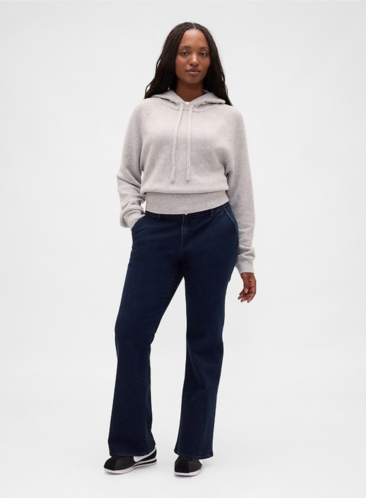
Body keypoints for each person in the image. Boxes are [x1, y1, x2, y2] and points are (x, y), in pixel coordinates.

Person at [104, 21, 257, 478]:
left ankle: (192, 445)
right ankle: (134, 443)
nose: (194, 60)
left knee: (204, 339)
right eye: (186, 51)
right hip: (156, 231)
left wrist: (246, 258)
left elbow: (241, 189)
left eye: (203, 52)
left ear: (211, 61)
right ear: (172, 56)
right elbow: (127, 174)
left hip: (214, 230)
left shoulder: (228, 117)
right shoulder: (146, 111)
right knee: (131, 332)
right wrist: (136, 221)